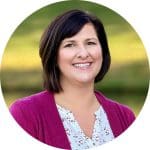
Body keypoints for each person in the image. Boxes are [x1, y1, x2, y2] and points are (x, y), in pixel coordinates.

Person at [9, 9, 135, 150]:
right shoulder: (25, 114)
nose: (83, 53)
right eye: (70, 45)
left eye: (90, 43)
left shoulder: (125, 117)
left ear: (102, 50)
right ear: (53, 55)